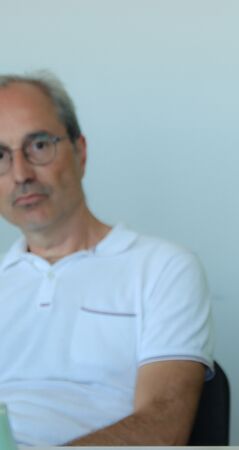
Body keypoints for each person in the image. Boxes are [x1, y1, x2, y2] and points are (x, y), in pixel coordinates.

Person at [0, 72, 214, 446]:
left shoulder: (163, 268)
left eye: (38, 146)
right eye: (0, 155)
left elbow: (164, 427)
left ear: (80, 152)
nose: (21, 174)